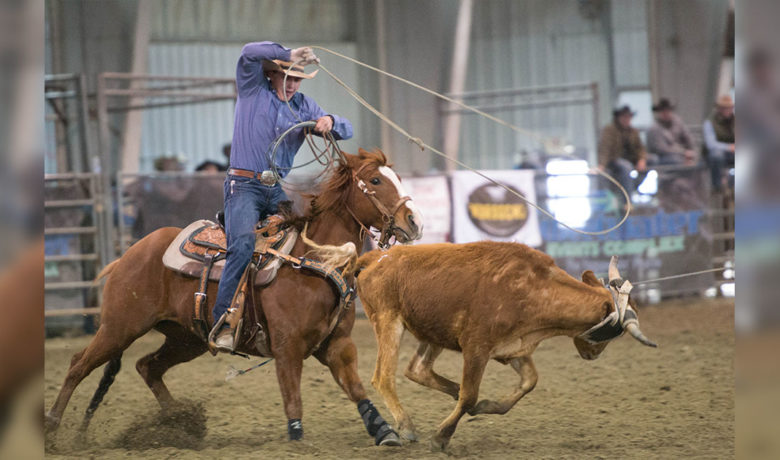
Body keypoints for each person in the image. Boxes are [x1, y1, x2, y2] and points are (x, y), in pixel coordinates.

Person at [211, 41, 353, 351]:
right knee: (244, 244)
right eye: (286, 76)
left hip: (275, 188)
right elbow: (248, 51)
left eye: (297, 79)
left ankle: (292, 314)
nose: (292, 84)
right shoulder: (252, 89)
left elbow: (347, 129)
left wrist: (331, 121)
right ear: (272, 75)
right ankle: (221, 320)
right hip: (243, 185)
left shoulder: (304, 106)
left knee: (304, 239)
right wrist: (288, 53)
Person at [597, 105, 654, 199]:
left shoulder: (633, 132)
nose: (626, 119)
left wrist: (642, 159)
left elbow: (640, 148)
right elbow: (605, 148)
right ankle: (627, 200)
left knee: (653, 160)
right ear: (618, 118)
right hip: (614, 159)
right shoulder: (609, 130)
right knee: (626, 167)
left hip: (630, 159)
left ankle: (632, 186)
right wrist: (602, 164)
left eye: (628, 117)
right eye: (624, 117)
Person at [647, 98, 697, 166]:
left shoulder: (678, 122)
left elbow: (688, 137)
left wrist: (691, 150)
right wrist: (683, 152)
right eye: (663, 111)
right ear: (659, 112)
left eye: (668, 110)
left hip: (681, 155)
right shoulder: (654, 129)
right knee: (675, 160)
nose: (666, 113)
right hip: (663, 157)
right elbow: (662, 149)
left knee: (695, 160)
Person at [702, 94, 735, 193]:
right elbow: (711, 144)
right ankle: (717, 186)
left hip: (732, 153)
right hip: (716, 154)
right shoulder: (709, 122)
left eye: (729, 108)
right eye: (724, 108)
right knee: (716, 155)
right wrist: (729, 147)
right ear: (719, 109)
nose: (727, 110)